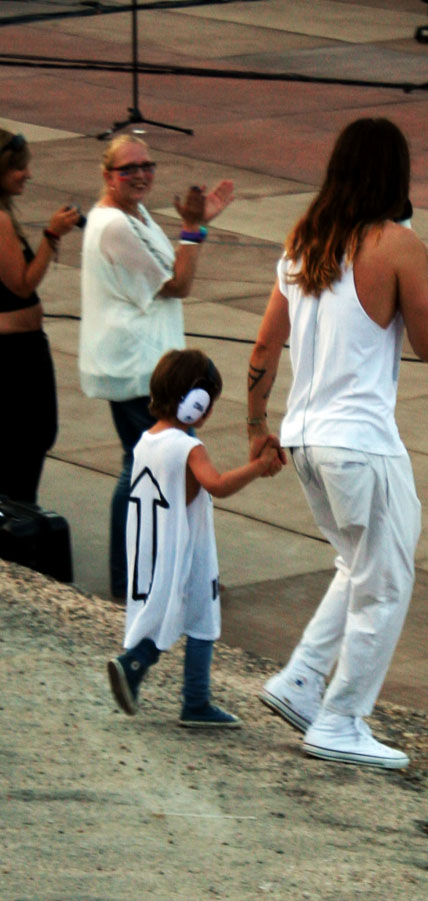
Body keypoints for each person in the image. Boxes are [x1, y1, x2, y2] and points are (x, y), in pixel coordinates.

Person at [247, 117, 428, 770]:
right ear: (396, 175)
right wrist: (414, 261)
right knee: (385, 582)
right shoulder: (397, 245)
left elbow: (264, 345)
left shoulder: (304, 242)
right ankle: (341, 718)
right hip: (361, 444)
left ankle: (302, 679)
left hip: (305, 440)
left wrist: (256, 424)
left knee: (356, 565)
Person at [79, 134, 234, 598]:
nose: (141, 174)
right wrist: (192, 228)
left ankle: (163, 575)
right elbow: (179, 282)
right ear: (109, 176)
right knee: (146, 468)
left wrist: (195, 228)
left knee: (158, 467)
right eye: (129, 169)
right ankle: (131, 579)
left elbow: (173, 268)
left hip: (146, 365)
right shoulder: (114, 226)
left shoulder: (133, 213)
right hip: (136, 372)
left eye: (148, 165)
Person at [107, 347, 282, 727]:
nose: (209, 411)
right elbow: (216, 486)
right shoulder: (189, 446)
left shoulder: (145, 442)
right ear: (194, 403)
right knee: (203, 621)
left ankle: (134, 666)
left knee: (168, 612)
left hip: (156, 549)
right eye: (208, 403)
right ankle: (194, 701)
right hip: (191, 550)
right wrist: (256, 468)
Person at [0, 129, 81, 503]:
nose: (28, 175)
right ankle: (17, 519)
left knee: (27, 437)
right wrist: (52, 235)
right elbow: (22, 284)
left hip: (21, 347)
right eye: (19, 168)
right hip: (16, 354)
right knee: (29, 436)